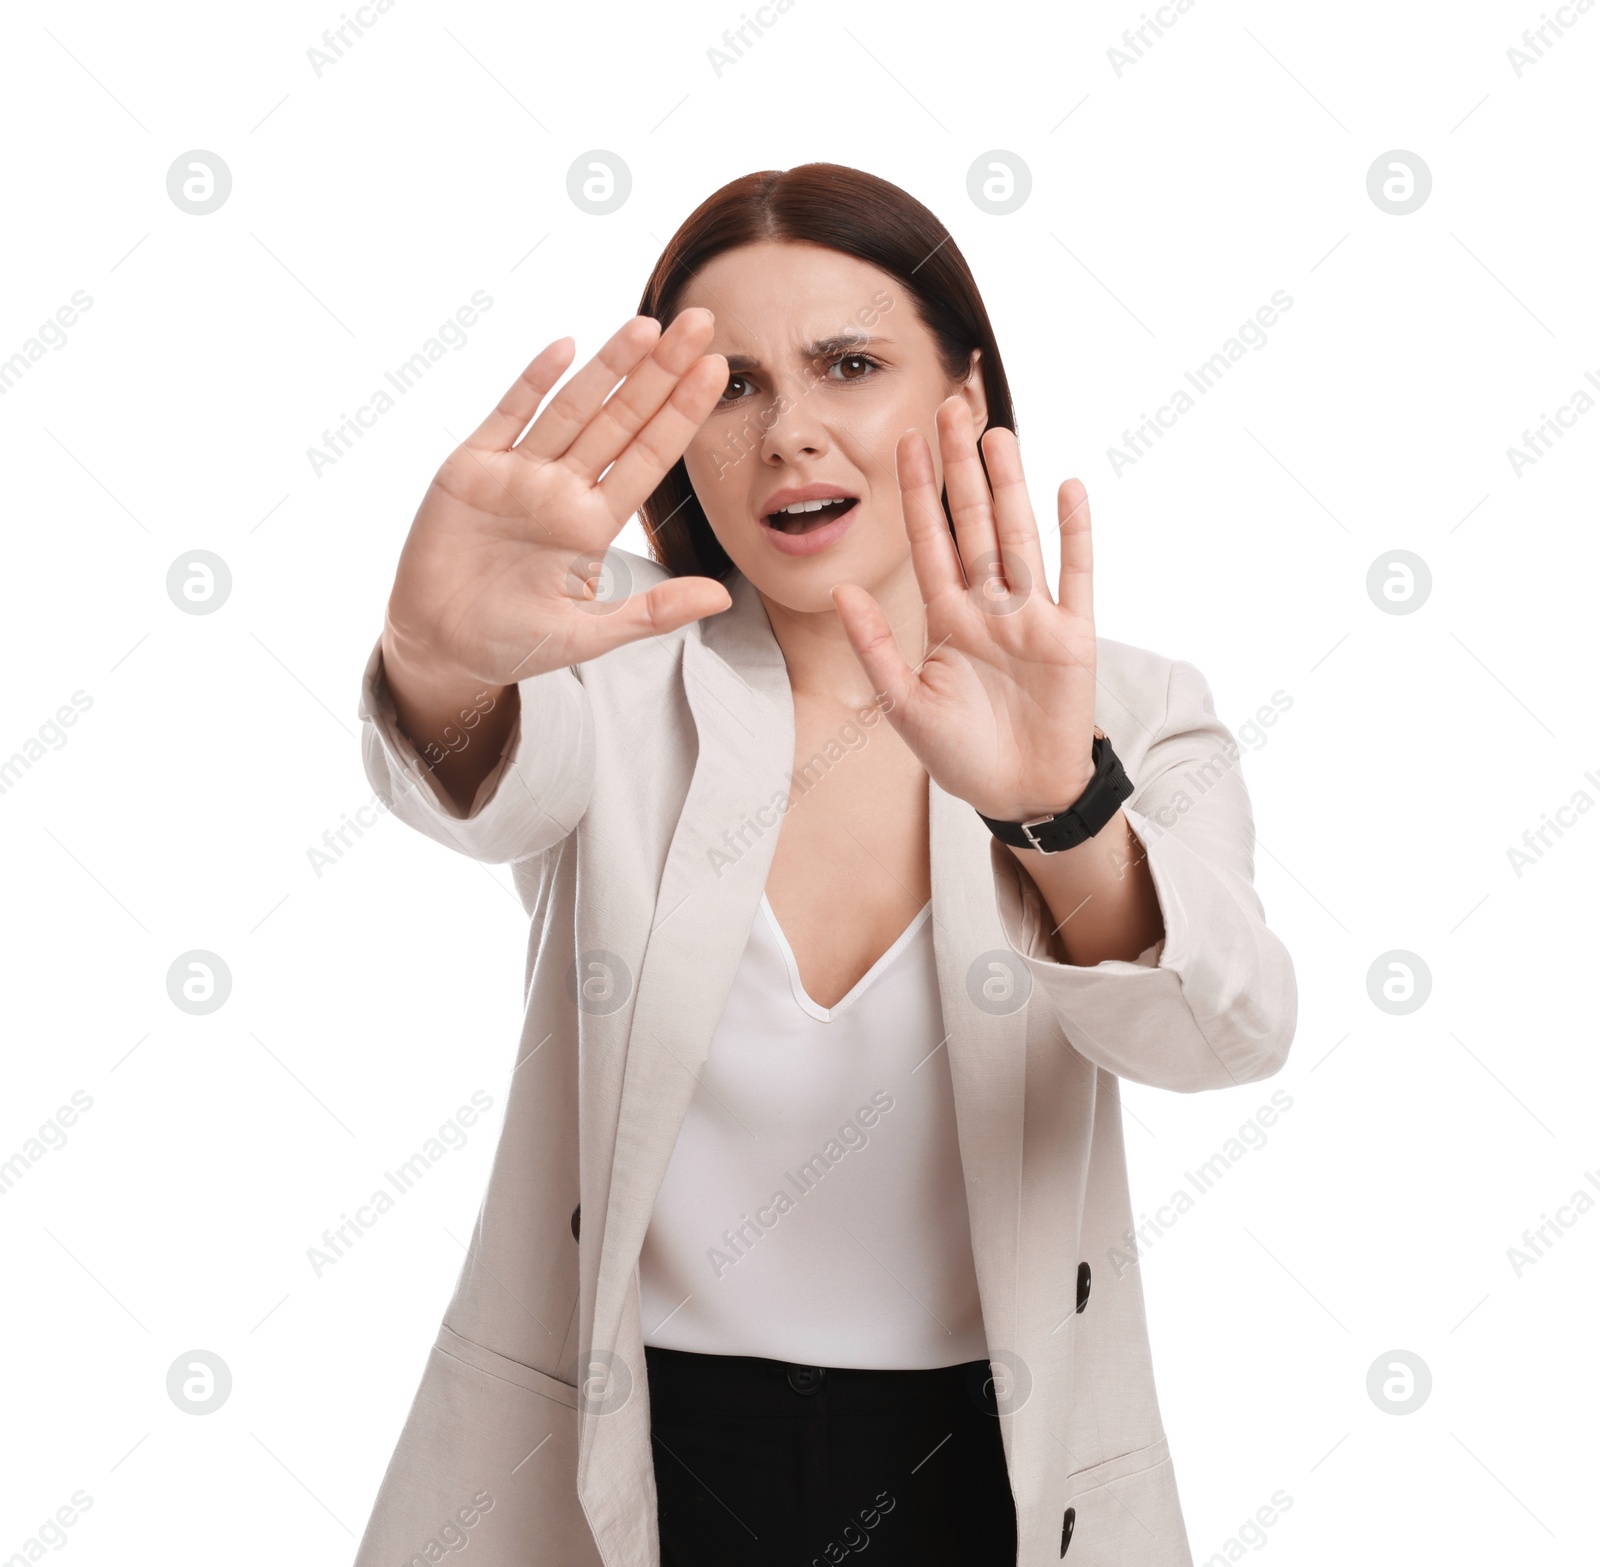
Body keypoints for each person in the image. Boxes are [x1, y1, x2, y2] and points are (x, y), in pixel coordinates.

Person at [353, 163, 1297, 1567]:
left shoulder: (1133, 710)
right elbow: (477, 779)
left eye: (848, 365)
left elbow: (1230, 1032)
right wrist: (439, 661)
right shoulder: (611, 657)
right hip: (637, 1456)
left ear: (963, 399)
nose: (789, 434)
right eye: (730, 387)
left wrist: (1058, 809)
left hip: (989, 1469)